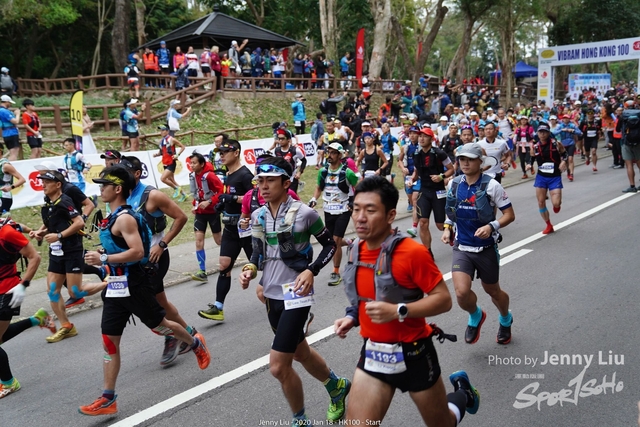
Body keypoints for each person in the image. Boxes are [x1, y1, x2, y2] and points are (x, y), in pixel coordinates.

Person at [334, 175, 480, 425]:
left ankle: (463, 395)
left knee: (442, 424)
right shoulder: (355, 250)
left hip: (414, 353)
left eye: (370, 210)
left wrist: (398, 311)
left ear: (391, 215)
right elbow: (367, 297)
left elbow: (443, 300)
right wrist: (352, 316)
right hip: (375, 353)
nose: (360, 217)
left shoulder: (412, 253)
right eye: (356, 209)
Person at [80, 166, 210, 416]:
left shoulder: (125, 218)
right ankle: (108, 398)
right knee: (109, 342)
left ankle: (194, 342)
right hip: (115, 286)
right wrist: (102, 258)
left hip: (134, 285)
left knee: (161, 326)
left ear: (118, 188)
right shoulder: (112, 216)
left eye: (104, 185)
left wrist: (104, 258)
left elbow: (138, 252)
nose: (100, 190)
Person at [239, 157, 350, 425]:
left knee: (279, 366)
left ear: (286, 183)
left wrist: (312, 270)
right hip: (271, 293)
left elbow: (330, 245)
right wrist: (250, 270)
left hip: (297, 292)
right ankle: (336, 386)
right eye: (260, 180)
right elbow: (257, 253)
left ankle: (300, 419)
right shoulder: (259, 215)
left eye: (270, 180)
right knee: (300, 353)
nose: (263, 186)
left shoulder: (305, 214)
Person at [119, 156, 198, 366]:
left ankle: (172, 335)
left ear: (137, 173)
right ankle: (188, 333)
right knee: (160, 301)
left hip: (155, 258)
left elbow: (181, 217)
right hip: (134, 261)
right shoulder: (121, 195)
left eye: (125, 172)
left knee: (152, 306)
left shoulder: (151, 195)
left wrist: (162, 244)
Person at [442, 143, 515, 345]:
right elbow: (452, 212)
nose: (465, 163)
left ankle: (505, 318)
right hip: (462, 247)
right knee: (461, 293)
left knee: (493, 291)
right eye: (462, 159)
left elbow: (509, 215)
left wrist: (492, 226)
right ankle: (476, 315)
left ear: (480, 162)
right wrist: (448, 228)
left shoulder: (492, 186)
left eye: (470, 160)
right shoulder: (454, 184)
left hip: (485, 249)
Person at [28, 171, 103, 343]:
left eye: (47, 182)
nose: (43, 184)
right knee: (52, 291)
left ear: (58, 185)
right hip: (56, 252)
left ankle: (110, 283)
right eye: (42, 181)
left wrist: (59, 236)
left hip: (71, 250)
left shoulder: (65, 201)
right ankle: (66, 326)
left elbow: (79, 222)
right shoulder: (49, 203)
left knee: (75, 291)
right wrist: (40, 232)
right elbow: (54, 225)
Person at [197, 140, 254, 321]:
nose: (221, 155)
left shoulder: (245, 174)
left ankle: (284, 300)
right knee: (224, 265)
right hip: (230, 228)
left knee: (263, 266)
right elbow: (226, 196)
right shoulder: (227, 175)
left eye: (225, 152)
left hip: (247, 229)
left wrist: (232, 198)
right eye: (219, 152)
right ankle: (218, 307)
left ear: (236, 153)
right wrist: (222, 204)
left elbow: (255, 198)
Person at [34, 161, 101, 308]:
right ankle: (70, 312)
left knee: (73, 275)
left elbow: (89, 204)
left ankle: (101, 279)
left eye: (45, 176)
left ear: (56, 178)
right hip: (58, 242)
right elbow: (53, 216)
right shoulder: (49, 194)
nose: (43, 182)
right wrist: (41, 230)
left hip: (71, 236)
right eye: (42, 178)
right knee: (57, 283)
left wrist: (81, 220)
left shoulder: (69, 189)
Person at [0, 217, 50, 399]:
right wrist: (31, 230)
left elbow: (35, 257)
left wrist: (24, 285)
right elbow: (19, 225)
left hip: (8, 291)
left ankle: (9, 383)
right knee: (1, 336)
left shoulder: (6, 233)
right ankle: (37, 319)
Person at [309, 143, 358, 286]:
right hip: (328, 209)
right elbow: (319, 187)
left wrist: (353, 202)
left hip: (343, 209)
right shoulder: (323, 171)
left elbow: (358, 187)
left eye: (333, 153)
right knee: (330, 241)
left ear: (339, 155)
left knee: (335, 241)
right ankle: (350, 242)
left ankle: (336, 272)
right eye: (328, 152)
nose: (329, 155)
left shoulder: (348, 173)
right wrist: (314, 199)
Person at [411, 127, 454, 256]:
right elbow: (416, 172)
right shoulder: (416, 154)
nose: (421, 139)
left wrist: (441, 176)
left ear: (431, 139)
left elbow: (451, 169)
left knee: (440, 225)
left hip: (438, 191)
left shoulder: (439, 153)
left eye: (425, 136)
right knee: (423, 223)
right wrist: (412, 178)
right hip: (424, 191)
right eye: (420, 136)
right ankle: (428, 252)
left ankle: (452, 233)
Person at [188, 152, 224, 281]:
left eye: (194, 163)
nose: (192, 165)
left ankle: (230, 256)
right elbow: (198, 193)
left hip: (212, 212)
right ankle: (202, 272)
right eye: (190, 163)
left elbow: (221, 191)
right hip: (200, 213)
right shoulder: (193, 176)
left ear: (202, 164)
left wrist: (209, 202)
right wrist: (195, 205)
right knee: (198, 240)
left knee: (218, 241)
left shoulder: (210, 176)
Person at [527, 122, 568, 234]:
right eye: (540, 132)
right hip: (541, 177)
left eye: (545, 132)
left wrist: (564, 161)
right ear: (537, 133)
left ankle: (557, 205)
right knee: (541, 202)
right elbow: (532, 158)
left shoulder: (556, 144)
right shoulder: (535, 146)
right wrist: (529, 164)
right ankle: (549, 225)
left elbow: (565, 154)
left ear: (549, 133)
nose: (542, 134)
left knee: (556, 203)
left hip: (554, 177)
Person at [153, 125, 187, 201]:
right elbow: (161, 152)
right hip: (165, 162)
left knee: (163, 179)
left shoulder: (172, 139)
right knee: (171, 180)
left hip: (171, 162)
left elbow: (183, 147)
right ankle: (184, 195)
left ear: (167, 131)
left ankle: (176, 188)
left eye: (163, 130)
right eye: (160, 130)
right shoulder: (162, 141)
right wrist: (156, 155)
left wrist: (177, 155)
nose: (161, 132)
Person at [552, 114, 582, 182]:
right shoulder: (560, 126)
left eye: (567, 118)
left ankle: (571, 174)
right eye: (564, 118)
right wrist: (561, 130)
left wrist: (572, 131)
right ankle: (568, 171)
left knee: (570, 159)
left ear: (569, 119)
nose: (565, 119)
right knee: (565, 160)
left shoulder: (572, 125)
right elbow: (553, 133)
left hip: (571, 143)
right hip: (563, 145)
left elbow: (580, 132)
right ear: (562, 119)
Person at [0, 144, 25, 213]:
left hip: (4, 196)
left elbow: (22, 179)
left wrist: (10, 188)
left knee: (3, 218)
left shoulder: (5, 165)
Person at [0, 95, 21, 161]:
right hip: (11, 133)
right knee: (14, 153)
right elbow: (16, 121)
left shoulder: (4, 111)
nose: (10, 104)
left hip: (7, 133)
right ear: (6, 102)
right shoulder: (4, 111)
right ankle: (10, 166)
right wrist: (17, 114)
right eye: (9, 102)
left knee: (13, 152)